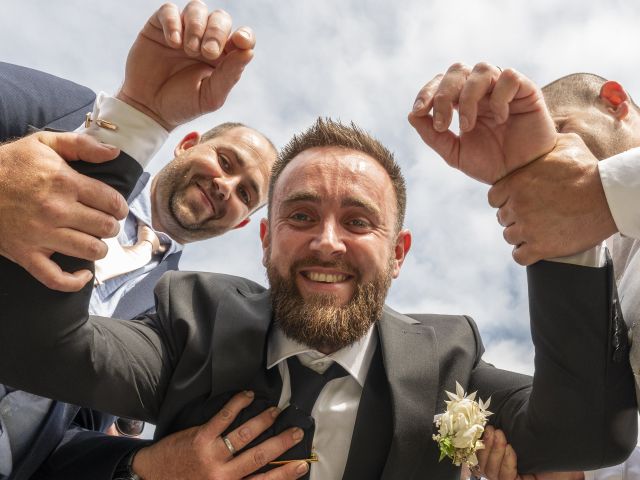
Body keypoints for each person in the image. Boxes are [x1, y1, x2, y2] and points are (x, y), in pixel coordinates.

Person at [0, 87, 636, 480]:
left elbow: (584, 432)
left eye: (358, 221)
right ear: (266, 239)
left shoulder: (450, 361)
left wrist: (561, 231)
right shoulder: (191, 320)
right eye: (300, 217)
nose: (327, 241)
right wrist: (136, 119)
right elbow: (45, 350)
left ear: (398, 255)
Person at [0, 3, 281, 479]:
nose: (225, 187)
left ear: (239, 224)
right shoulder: (71, 115)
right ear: (187, 143)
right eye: (227, 163)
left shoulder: (171, 319)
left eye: (245, 194)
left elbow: (71, 430)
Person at [409, 63, 640, 480]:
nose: (547, 162)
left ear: (614, 100)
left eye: (564, 130)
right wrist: (571, 472)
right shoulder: (602, 278)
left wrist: (605, 192)